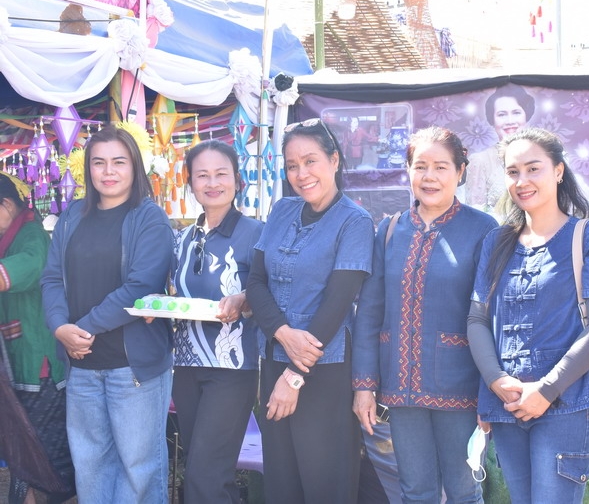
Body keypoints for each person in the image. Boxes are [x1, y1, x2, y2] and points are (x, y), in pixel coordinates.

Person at [467, 128, 589, 504]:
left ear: (559, 171)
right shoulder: (496, 241)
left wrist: (547, 390)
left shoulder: (588, 236)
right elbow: (477, 319)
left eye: (533, 168)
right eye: (513, 171)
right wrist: (496, 380)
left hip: (566, 407)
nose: (522, 181)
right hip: (507, 406)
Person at [353, 126, 497, 504]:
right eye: (420, 166)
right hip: (401, 390)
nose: (429, 176)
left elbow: (492, 317)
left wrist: (490, 392)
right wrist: (364, 386)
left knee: (464, 491)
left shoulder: (483, 230)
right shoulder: (390, 230)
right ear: (409, 171)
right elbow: (369, 313)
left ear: (460, 171)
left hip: (461, 389)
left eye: (441, 167)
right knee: (415, 492)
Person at [40, 124, 174, 504]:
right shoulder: (71, 217)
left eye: (119, 161)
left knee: (139, 469)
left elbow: (140, 286)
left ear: (134, 166)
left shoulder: (149, 218)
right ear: (88, 169)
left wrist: (80, 330)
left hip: (133, 369)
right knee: (90, 466)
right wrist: (59, 327)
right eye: (99, 163)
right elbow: (51, 278)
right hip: (82, 367)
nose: (108, 171)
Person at [246, 117, 374, 504]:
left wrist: (295, 375)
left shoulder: (355, 221)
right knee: (282, 481)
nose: (301, 174)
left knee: (325, 482)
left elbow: (337, 303)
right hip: (274, 359)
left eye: (310, 161)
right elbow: (256, 283)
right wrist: (283, 334)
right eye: (292, 165)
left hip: (324, 370)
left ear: (334, 160)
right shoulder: (282, 211)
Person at [170, 140, 263, 504]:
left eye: (221, 174)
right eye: (202, 175)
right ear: (190, 183)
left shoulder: (257, 233)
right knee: (202, 468)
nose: (212, 183)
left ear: (237, 180)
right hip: (185, 365)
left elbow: (273, 290)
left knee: (205, 474)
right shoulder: (182, 239)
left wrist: (245, 299)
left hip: (232, 366)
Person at [0, 173, 75, 504]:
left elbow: (24, 268)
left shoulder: (32, 234)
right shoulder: (7, 235)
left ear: (7, 205)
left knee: (44, 449)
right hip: (16, 358)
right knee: (21, 443)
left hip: (38, 363)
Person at [466, 85, 536, 214]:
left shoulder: (541, 155)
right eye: (502, 114)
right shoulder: (480, 160)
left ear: (526, 115)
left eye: (516, 113)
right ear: (492, 119)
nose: (510, 121)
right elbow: (475, 213)